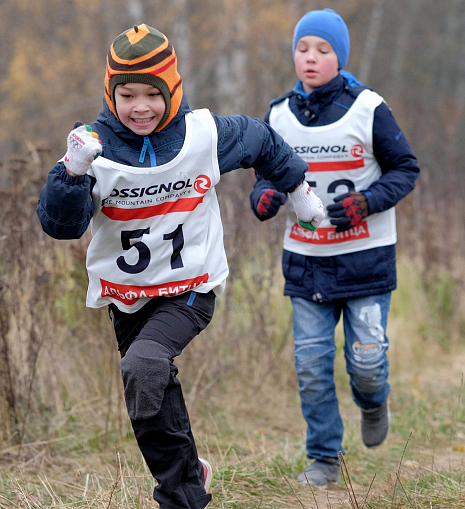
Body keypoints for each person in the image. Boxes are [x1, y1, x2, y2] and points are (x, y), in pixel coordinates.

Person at [37, 24, 324, 509]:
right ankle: (190, 476)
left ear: (173, 89)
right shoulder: (94, 149)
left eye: (153, 93)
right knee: (144, 390)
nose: (141, 107)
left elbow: (262, 139)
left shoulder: (204, 135)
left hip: (190, 286)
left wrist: (299, 192)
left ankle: (181, 500)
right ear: (111, 94)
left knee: (145, 364)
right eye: (127, 94)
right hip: (127, 294)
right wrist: (71, 171)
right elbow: (63, 227)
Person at [249, 9, 420, 488]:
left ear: (339, 57)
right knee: (310, 367)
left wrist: (366, 202)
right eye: (303, 48)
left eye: (323, 50)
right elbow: (266, 178)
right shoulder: (278, 114)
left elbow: (406, 169)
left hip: (366, 259)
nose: (310, 58)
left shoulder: (369, 107)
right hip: (306, 264)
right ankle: (325, 458)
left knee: (366, 362)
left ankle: (373, 399)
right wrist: (263, 196)